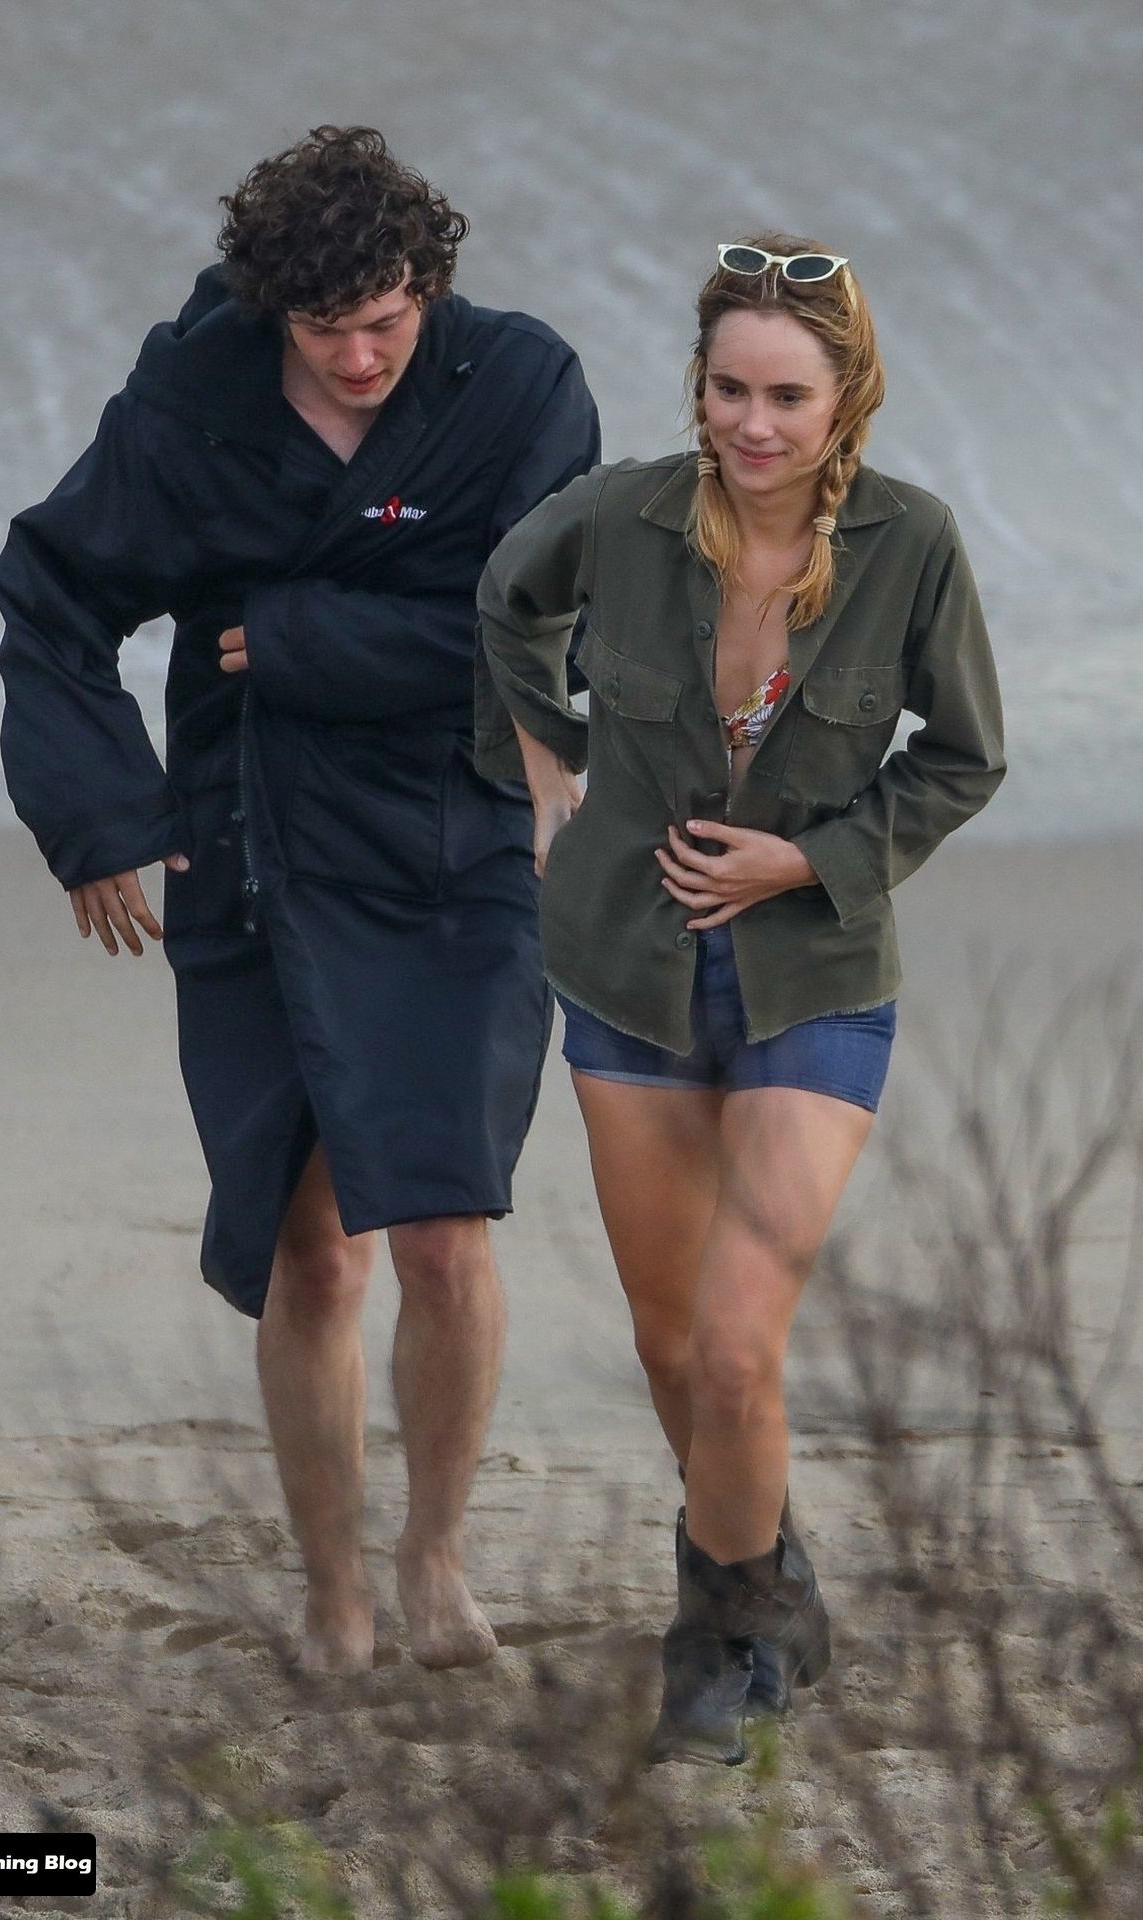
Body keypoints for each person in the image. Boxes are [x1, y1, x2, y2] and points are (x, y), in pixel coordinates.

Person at [0, 126, 600, 1675]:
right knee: (309, 1249)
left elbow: (548, 634)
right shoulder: (193, 399)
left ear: (430, 286)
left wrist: (300, 637)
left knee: (446, 1228)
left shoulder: (522, 388)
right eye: (325, 330)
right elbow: (50, 596)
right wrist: (98, 815)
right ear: (273, 311)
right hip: (249, 841)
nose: (359, 357)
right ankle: (334, 1590)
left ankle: (435, 1561)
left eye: (386, 321)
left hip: (457, 847)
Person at [475, 235, 1005, 1763]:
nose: (752, 424)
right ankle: (771, 1581)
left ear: (846, 403)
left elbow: (964, 756)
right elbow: (507, 602)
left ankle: (713, 1646)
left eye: (786, 396)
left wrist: (808, 859)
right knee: (668, 1345)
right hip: (626, 968)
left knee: (733, 1346)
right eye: (729, 389)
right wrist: (545, 767)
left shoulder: (913, 544)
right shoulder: (622, 515)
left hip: (813, 978)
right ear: (698, 387)